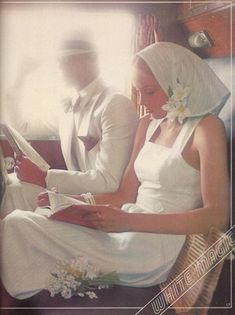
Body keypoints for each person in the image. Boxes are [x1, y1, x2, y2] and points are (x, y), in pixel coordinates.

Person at [1, 42, 230, 299]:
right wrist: (72, 202)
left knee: (15, 226)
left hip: (156, 243)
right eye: (138, 91)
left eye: (149, 91)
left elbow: (216, 215)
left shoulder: (207, 128)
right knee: (21, 219)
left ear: (176, 83)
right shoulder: (148, 124)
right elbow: (124, 196)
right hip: (126, 223)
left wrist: (127, 221)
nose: (141, 102)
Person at [1, 33, 138, 216]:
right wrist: (20, 79)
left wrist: (44, 178)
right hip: (78, 195)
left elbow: (110, 182)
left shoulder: (115, 104)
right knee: (14, 187)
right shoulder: (68, 106)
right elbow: (23, 127)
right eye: (59, 61)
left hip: (106, 206)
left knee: (17, 193)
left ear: (92, 59)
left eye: (67, 59)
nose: (60, 66)